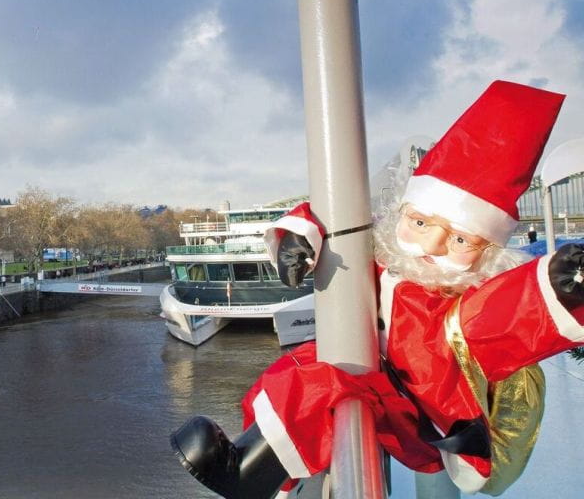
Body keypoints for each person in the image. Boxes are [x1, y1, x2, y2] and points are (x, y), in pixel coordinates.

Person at [171, 81, 584, 498]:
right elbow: (342, 229)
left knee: (326, 381)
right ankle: (265, 473)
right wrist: (299, 239)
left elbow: (507, 313)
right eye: (420, 223)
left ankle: (249, 474)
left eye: (459, 240)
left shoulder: (463, 308)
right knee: (302, 369)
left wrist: (556, 284)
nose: (430, 245)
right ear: (405, 211)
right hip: (385, 385)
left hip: (426, 423)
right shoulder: (389, 255)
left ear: (488, 251)